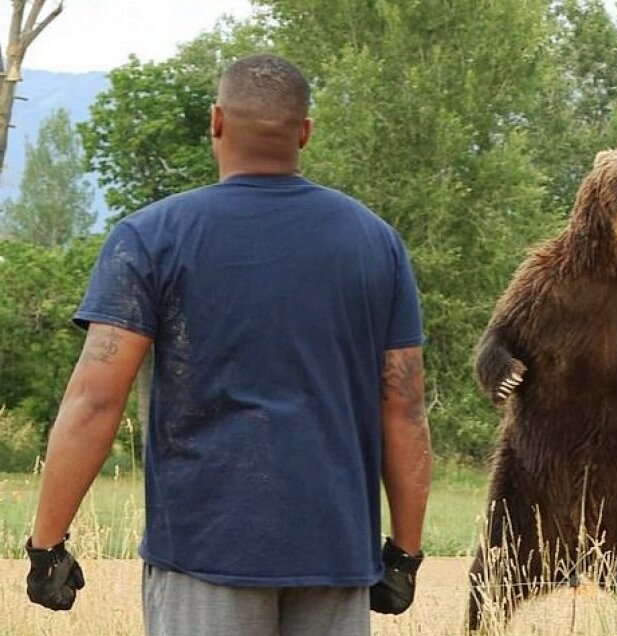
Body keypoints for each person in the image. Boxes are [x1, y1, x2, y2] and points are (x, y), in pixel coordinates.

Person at [25, 54, 432, 636]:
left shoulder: (150, 238)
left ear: (215, 122)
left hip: (204, 551)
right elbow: (404, 407)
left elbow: (94, 401)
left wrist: (47, 546)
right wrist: (406, 553)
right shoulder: (375, 242)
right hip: (336, 552)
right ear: (305, 133)